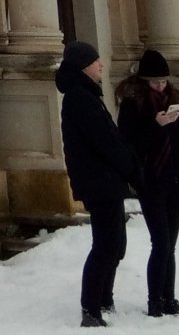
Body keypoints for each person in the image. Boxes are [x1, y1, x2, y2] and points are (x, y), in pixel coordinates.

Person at [117, 48, 179, 317]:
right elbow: (129, 145)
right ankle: (155, 300)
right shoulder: (134, 104)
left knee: (171, 245)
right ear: (144, 81)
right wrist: (156, 126)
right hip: (150, 181)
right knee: (161, 243)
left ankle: (170, 298)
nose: (160, 86)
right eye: (155, 82)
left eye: (163, 81)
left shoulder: (175, 99)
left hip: (175, 179)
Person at [58, 39, 138, 328]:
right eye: (95, 61)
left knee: (115, 243)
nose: (101, 65)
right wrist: (130, 166)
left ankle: (104, 298)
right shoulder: (80, 98)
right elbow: (104, 141)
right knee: (105, 244)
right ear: (83, 66)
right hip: (99, 181)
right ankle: (91, 307)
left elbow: (109, 138)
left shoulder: (87, 94)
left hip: (106, 180)